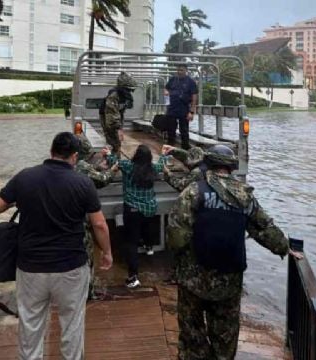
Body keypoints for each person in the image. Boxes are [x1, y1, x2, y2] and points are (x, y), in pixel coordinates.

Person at [167, 145, 302, 359]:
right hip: (229, 280)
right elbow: (264, 228)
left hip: (193, 279)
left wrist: (179, 260)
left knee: (192, 331)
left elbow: (176, 234)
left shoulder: (194, 192)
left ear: (208, 164)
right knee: (225, 335)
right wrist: (285, 247)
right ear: (231, 168)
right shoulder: (245, 197)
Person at [0, 132, 113, 360]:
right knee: (72, 325)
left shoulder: (25, 177)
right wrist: (107, 252)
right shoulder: (83, 183)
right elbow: (99, 225)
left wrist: (19, 200)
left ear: (51, 152)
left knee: (30, 325)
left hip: (31, 268)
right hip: (71, 268)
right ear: (74, 156)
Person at [103, 144, 168, 288]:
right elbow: (161, 164)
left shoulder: (128, 166)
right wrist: (163, 154)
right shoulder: (153, 168)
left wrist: (108, 153)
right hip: (150, 208)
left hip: (132, 209)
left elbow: (115, 162)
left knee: (131, 242)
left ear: (136, 155)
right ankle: (149, 246)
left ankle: (133, 277)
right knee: (148, 226)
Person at [75, 134, 117, 300]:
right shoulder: (83, 167)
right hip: (79, 226)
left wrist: (100, 166)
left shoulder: (60, 167)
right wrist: (113, 169)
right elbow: (102, 180)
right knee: (85, 261)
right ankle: (87, 294)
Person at [101, 72, 137, 155]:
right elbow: (111, 116)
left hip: (115, 117)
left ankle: (115, 160)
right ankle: (112, 162)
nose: (130, 92)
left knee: (117, 142)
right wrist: (118, 129)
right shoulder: (113, 96)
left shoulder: (125, 96)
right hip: (107, 116)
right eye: (128, 89)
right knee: (113, 142)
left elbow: (120, 113)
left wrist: (120, 127)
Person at [165, 64, 199, 150]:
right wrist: (166, 92)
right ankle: (170, 151)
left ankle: (185, 151)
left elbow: (194, 97)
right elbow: (166, 88)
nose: (179, 72)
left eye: (182, 70)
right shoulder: (172, 79)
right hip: (172, 108)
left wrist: (191, 112)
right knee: (170, 131)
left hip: (184, 109)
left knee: (184, 131)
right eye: (178, 70)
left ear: (186, 71)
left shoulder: (191, 82)